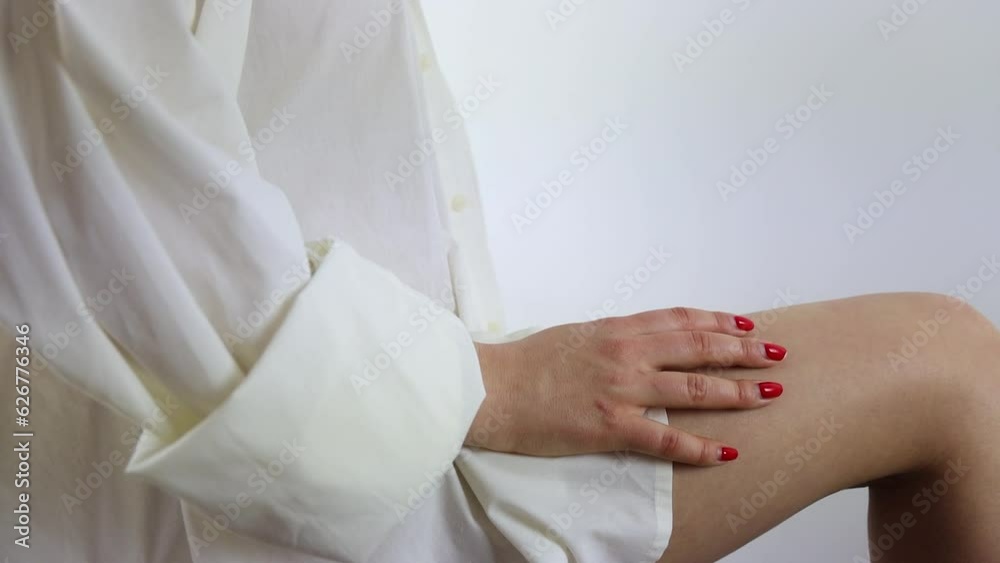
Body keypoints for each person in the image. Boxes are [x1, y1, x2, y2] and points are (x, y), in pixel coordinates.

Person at [1, 1, 997, 562]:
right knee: (953, 374)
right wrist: (496, 386)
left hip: (380, 414)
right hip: (315, 489)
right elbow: (100, 196)